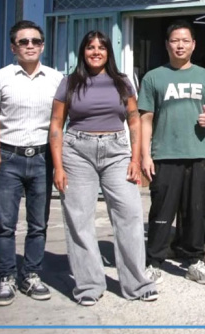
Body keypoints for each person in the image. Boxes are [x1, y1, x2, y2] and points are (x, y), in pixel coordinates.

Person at [48, 30, 157, 306]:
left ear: (109, 52)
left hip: (116, 151)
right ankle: (89, 286)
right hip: (77, 152)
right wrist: (58, 166)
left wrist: (135, 159)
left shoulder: (122, 82)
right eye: (90, 47)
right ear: (82, 52)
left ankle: (137, 284)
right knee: (79, 219)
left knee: (129, 215)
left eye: (101, 47)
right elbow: (56, 124)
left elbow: (134, 120)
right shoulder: (69, 82)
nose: (96, 52)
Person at [139, 21, 205, 286]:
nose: (180, 45)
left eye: (185, 41)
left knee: (195, 212)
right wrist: (145, 155)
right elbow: (145, 119)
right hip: (164, 154)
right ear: (167, 44)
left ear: (193, 45)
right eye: (175, 40)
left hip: (197, 153)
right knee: (161, 212)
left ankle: (195, 262)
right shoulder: (153, 77)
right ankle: (154, 262)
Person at [0, 21, 63, 306]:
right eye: (24, 42)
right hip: (8, 157)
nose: (30, 46)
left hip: (43, 158)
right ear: (13, 47)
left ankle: (31, 274)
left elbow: (61, 120)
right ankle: (6, 277)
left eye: (35, 41)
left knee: (38, 224)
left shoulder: (56, 79)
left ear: (42, 46)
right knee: (5, 224)